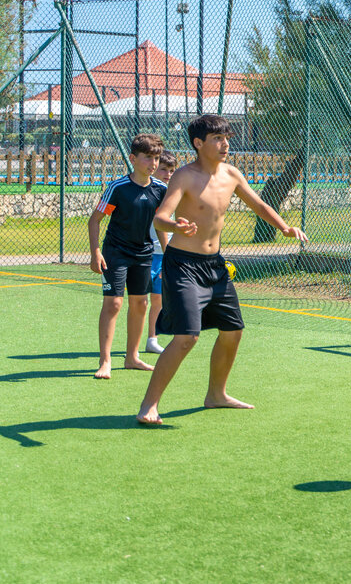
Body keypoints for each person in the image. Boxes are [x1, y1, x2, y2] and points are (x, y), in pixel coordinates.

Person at [136, 115, 307, 425]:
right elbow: (160, 218)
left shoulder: (231, 174)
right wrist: (175, 224)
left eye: (226, 137)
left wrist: (284, 227)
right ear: (199, 144)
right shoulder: (184, 177)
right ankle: (149, 405)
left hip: (215, 266)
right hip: (183, 266)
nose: (225, 143)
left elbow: (259, 205)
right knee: (187, 337)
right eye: (217, 138)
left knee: (233, 331)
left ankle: (216, 394)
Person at [88, 133, 168, 380]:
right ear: (133, 158)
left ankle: (132, 357)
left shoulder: (161, 190)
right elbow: (95, 220)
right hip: (116, 253)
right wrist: (95, 253)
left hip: (143, 255)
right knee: (113, 304)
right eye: (147, 158)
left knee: (140, 304)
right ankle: (105, 361)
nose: (153, 164)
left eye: (156, 158)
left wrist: (168, 257)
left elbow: (161, 226)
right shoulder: (118, 188)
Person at [143, 150, 178, 355]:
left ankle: (152, 339)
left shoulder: (171, 193)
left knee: (158, 299)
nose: (168, 174)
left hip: (163, 254)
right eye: (164, 169)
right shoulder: (150, 192)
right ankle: (132, 346)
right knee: (141, 300)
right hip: (146, 254)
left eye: (172, 170)